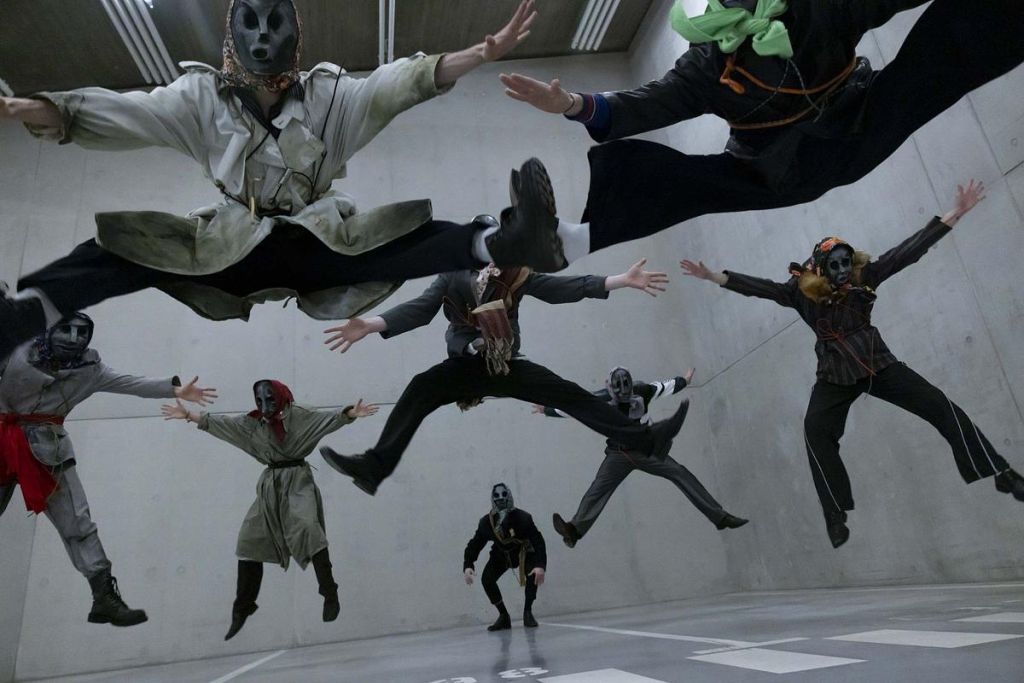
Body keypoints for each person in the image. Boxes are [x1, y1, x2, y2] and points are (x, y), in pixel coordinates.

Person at [0, 0, 565, 361]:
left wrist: (477, 54)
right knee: (115, 251)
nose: (264, 36)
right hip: (229, 250)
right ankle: (23, 314)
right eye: (251, 20)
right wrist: (33, 108)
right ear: (232, 31)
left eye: (276, 21)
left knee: (416, 238)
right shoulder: (199, 99)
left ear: (295, 31)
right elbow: (127, 113)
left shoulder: (330, 97)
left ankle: (509, 241)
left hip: (318, 244)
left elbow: (393, 86)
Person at [498, 0, 1024, 266]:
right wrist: (571, 104)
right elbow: (642, 106)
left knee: (927, 73)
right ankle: (571, 240)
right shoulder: (705, 67)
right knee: (684, 181)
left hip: (851, 115)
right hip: (781, 165)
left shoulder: (819, 7)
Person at [680, 180, 1024, 547]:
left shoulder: (865, 276)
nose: (844, 270)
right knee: (816, 431)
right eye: (836, 265)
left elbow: (909, 250)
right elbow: (760, 288)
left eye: (847, 262)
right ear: (821, 268)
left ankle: (1001, 472)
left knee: (941, 406)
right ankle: (835, 515)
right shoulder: (800, 292)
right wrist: (713, 276)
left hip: (878, 363)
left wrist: (956, 213)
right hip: (834, 375)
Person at [318, 251, 689, 495]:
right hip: (466, 364)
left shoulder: (515, 274)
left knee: (569, 394)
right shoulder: (452, 276)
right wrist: (370, 324)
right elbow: (420, 308)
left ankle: (647, 439)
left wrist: (619, 280)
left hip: (507, 364)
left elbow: (560, 288)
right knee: (420, 388)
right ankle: (373, 468)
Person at [0, 312, 217, 626]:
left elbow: (131, 383)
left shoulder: (91, 369)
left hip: (48, 449)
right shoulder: (16, 350)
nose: (73, 338)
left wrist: (174, 391)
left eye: (82, 332)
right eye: (65, 329)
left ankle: (104, 597)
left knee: (78, 522)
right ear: (50, 330)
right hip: (2, 439)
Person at [162, 380, 378, 639]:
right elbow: (222, 424)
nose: (264, 405)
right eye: (259, 400)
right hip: (269, 486)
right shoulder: (253, 424)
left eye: (270, 399)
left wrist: (350, 413)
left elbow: (329, 419)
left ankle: (329, 592)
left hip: (298, 482)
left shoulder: (301, 416)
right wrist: (188, 415)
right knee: (249, 541)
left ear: (282, 397)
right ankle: (243, 607)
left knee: (308, 528)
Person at [534, 366, 747, 548]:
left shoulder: (643, 390)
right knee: (598, 489)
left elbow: (665, 387)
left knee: (679, 472)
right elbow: (574, 408)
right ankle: (574, 531)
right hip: (618, 454)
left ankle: (720, 517)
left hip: (645, 450)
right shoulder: (600, 398)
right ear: (611, 389)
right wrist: (547, 410)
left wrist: (684, 380)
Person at [463, 483, 546, 631]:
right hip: (501, 554)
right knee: (487, 579)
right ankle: (503, 615)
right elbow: (475, 543)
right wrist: (468, 564)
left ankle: (528, 611)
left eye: (503, 495)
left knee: (533, 573)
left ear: (509, 496)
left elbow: (538, 541)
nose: (500, 499)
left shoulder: (523, 518)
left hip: (522, 552)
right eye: (497, 496)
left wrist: (540, 565)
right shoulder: (487, 523)